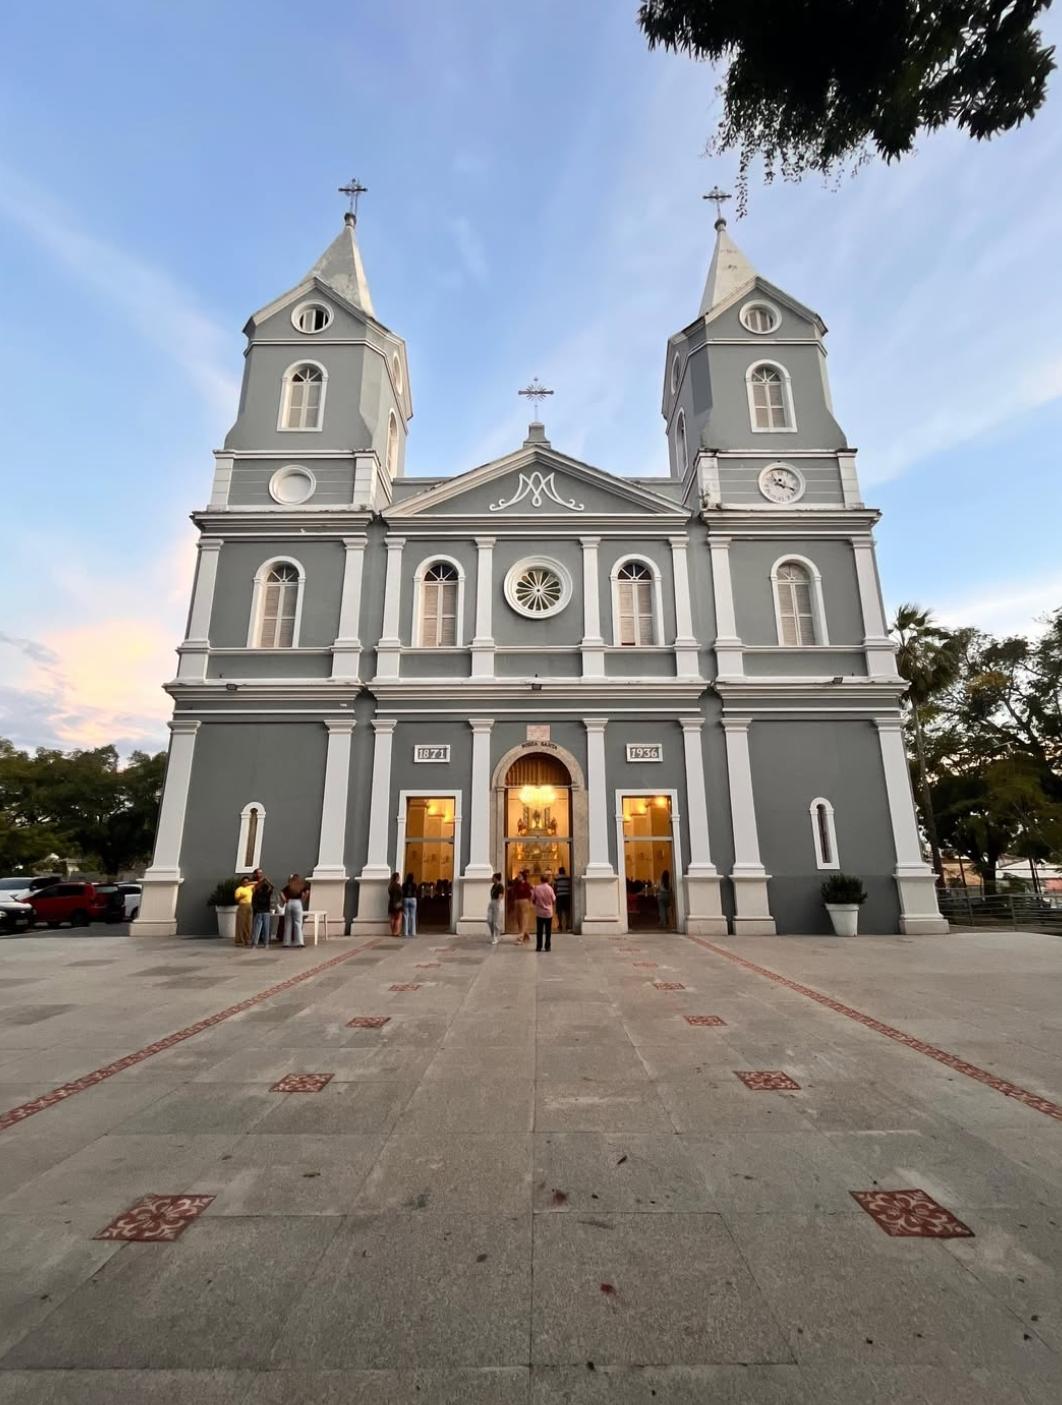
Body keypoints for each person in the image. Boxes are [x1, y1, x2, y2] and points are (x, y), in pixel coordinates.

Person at [531, 871, 557, 953]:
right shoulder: (550, 889)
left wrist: (538, 904)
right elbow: (553, 900)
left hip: (539, 913)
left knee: (539, 931)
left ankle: (539, 946)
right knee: (548, 931)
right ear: (547, 880)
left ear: (540, 880)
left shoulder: (536, 888)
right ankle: (547, 947)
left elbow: (533, 899)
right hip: (548, 913)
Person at [250, 869, 274, 948]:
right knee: (266, 928)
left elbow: (254, 900)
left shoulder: (256, 892)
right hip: (266, 910)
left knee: (257, 928)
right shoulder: (267, 892)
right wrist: (267, 880)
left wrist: (255, 908)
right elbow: (272, 887)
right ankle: (266, 944)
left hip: (259, 911)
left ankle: (254, 944)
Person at [282, 873, 306, 948]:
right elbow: (306, 893)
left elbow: (281, 893)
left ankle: (286, 942)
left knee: (288, 923)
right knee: (298, 922)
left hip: (289, 902)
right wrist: (303, 900)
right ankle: (299, 942)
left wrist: (285, 900)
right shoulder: (300, 886)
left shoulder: (289, 886)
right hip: (297, 902)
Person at [512, 870, 533, 944]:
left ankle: (520, 937)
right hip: (517, 901)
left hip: (524, 901)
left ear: (523, 877)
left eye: (520, 876)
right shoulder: (516, 884)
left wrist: (530, 903)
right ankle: (526, 935)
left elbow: (530, 894)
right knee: (519, 919)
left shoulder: (527, 884)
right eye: (518, 876)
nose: (518, 877)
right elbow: (513, 892)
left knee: (524, 919)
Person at [234, 875, 254, 946]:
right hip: (242, 906)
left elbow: (257, 883)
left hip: (249, 905)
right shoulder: (239, 889)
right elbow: (236, 899)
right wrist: (241, 896)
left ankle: (247, 939)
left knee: (248, 923)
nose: (246, 883)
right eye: (244, 882)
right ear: (241, 882)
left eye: (247, 881)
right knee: (241, 923)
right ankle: (240, 940)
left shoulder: (250, 888)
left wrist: (250, 883)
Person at [487, 872, 504, 945]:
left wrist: (498, 903)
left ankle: (495, 936)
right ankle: (493, 934)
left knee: (495, 922)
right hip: (492, 902)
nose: (492, 879)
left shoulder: (500, 886)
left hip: (497, 902)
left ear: (496, 878)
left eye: (493, 877)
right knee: (489, 920)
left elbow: (500, 896)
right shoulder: (493, 886)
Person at [553, 866, 571, 933]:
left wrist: (554, 896)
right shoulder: (568, 878)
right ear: (564, 871)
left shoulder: (556, 878)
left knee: (559, 911)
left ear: (559, 871)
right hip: (567, 895)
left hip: (559, 895)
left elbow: (555, 887)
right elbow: (570, 886)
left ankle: (560, 924)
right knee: (567, 910)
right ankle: (567, 924)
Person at [387, 872, 403, 937]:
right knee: (398, 918)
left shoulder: (390, 886)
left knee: (392, 918)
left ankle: (393, 932)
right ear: (397, 878)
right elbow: (401, 894)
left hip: (391, 903)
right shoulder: (398, 886)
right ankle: (397, 932)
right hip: (398, 903)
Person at [402, 872, 418, 937]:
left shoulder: (404, 884)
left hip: (406, 899)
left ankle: (406, 932)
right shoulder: (414, 884)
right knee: (413, 916)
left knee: (406, 916)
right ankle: (413, 932)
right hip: (413, 899)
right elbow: (416, 891)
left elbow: (402, 891)